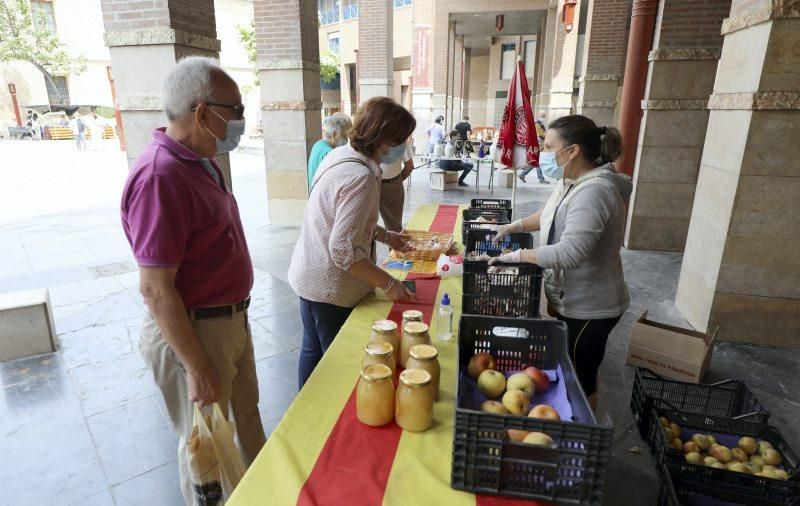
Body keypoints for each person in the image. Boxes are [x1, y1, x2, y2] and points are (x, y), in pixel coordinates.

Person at [120, 56, 264, 503]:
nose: (242, 121)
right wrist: (197, 367)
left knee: (246, 420)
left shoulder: (201, 160)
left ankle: (262, 493)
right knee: (208, 448)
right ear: (203, 112)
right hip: (197, 332)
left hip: (229, 320)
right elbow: (155, 289)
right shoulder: (160, 176)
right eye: (236, 111)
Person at [489, 114, 630, 410]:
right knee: (573, 369)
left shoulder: (595, 191)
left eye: (549, 146)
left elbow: (570, 253)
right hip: (572, 298)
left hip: (591, 306)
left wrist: (518, 256)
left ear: (573, 150)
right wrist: (513, 227)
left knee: (581, 378)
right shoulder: (571, 181)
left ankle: (582, 441)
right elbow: (550, 214)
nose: (543, 152)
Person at [289, 97, 417, 389]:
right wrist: (390, 284)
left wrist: (386, 236)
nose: (402, 148)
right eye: (400, 140)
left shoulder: (340, 155)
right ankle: (325, 421)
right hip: (332, 288)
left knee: (312, 349)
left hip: (309, 276)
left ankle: (306, 411)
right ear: (383, 139)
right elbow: (344, 250)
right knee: (335, 361)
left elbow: (347, 223)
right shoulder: (361, 175)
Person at [307, 112, 352, 190]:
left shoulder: (318, 144)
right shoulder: (330, 153)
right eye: (345, 136)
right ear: (334, 134)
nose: (347, 140)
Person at [379, 139, 414, 232]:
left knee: (366, 227)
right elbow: (409, 166)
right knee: (394, 227)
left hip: (375, 183)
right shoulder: (400, 139)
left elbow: (409, 166)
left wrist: (396, 181)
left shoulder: (369, 136)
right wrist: (395, 181)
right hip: (388, 184)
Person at [518, 111, 548, 184]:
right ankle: (540, 178)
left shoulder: (539, 124)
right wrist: (547, 134)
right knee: (537, 161)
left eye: (544, 116)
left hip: (538, 144)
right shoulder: (537, 125)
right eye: (543, 116)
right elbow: (540, 134)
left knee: (536, 162)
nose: (544, 118)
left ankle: (523, 174)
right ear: (539, 116)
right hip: (538, 144)